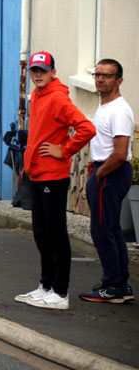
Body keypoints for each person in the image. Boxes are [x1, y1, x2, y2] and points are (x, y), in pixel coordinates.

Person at [14, 51, 96, 310]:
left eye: (42, 70)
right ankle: (46, 286)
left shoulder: (58, 98)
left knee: (55, 232)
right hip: (37, 173)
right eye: (34, 71)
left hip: (53, 175)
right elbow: (39, 133)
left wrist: (65, 149)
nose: (37, 75)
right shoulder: (38, 95)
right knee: (41, 232)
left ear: (53, 73)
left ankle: (60, 293)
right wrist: (26, 166)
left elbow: (87, 128)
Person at [79, 59, 135, 303]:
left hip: (110, 171)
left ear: (119, 80)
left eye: (107, 76)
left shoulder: (119, 110)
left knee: (102, 230)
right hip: (105, 170)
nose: (100, 79)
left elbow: (121, 153)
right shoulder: (105, 106)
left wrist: (99, 174)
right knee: (111, 229)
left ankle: (113, 285)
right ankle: (120, 285)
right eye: (98, 75)